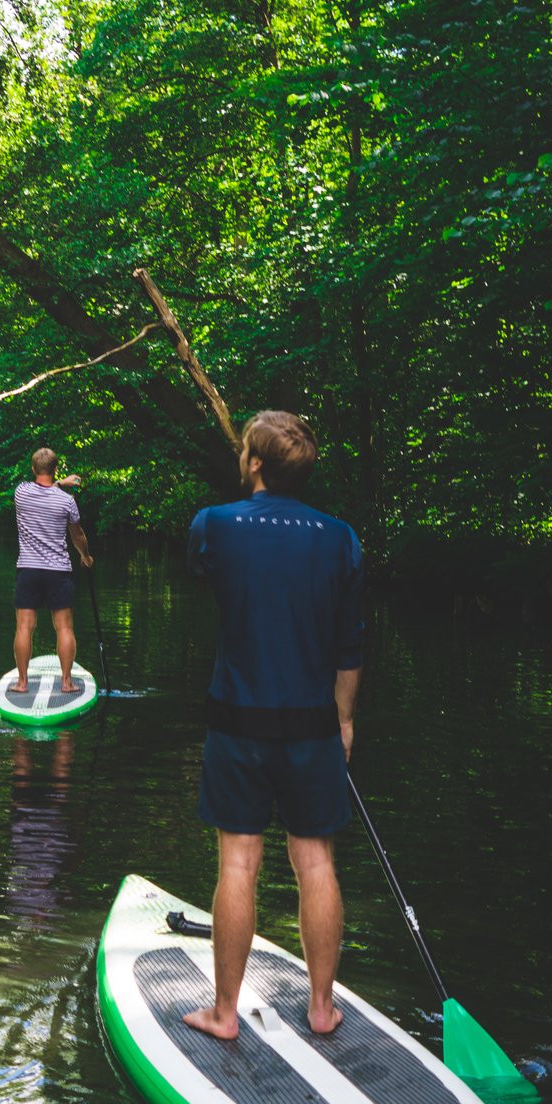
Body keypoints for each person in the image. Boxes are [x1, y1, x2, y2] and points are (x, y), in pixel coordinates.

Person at [182, 410, 363, 1041]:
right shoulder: (341, 537)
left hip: (238, 722)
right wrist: (343, 722)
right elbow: (350, 646)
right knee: (315, 862)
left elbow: (205, 572)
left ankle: (225, 1014)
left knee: (239, 863)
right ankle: (320, 1008)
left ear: (256, 463)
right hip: (313, 725)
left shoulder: (213, 526)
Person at [12, 447, 94, 694]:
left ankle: (22, 683)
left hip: (28, 569)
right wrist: (85, 556)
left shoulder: (21, 493)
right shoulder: (67, 501)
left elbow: (45, 487)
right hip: (58, 571)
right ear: (56, 469)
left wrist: (59, 482)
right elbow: (77, 535)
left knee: (24, 627)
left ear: (33, 469)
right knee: (65, 628)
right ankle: (67, 682)